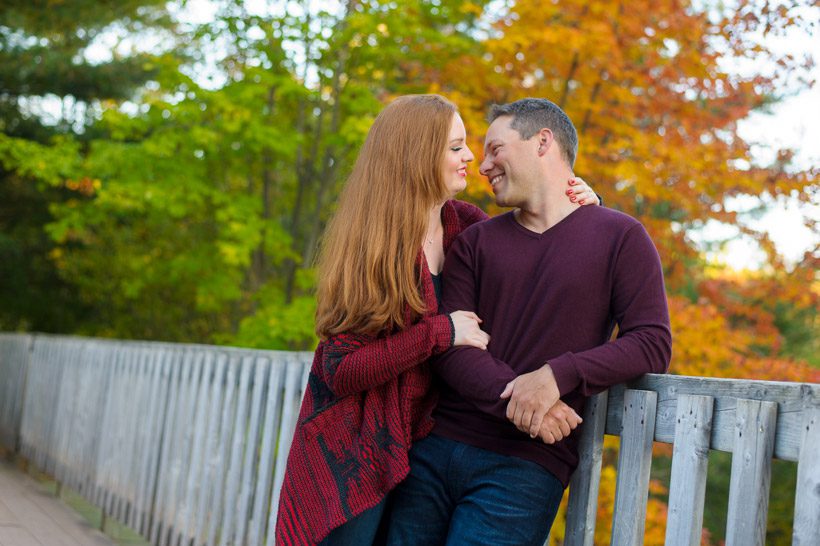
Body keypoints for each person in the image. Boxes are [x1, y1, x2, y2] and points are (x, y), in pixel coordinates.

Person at [274, 95, 599, 546]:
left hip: (422, 443)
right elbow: (340, 369)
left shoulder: (464, 225)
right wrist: (438, 334)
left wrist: (586, 213)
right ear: (418, 155)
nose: (472, 158)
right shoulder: (372, 245)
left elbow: (532, 265)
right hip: (354, 447)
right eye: (456, 147)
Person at [386, 98, 672, 545]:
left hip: (523, 468)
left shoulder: (622, 237)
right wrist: (528, 405)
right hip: (435, 449)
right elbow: (453, 350)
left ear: (542, 141)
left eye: (494, 149)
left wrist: (557, 376)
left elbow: (652, 342)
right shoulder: (475, 241)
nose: (482, 166)